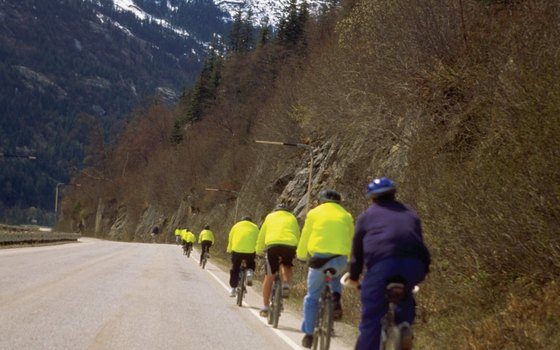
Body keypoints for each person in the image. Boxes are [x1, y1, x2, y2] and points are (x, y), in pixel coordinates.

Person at [342, 177, 431, 350]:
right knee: (406, 294)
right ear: (393, 194)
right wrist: (423, 271)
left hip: (383, 265)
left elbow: (357, 255)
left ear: (372, 198)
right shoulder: (410, 213)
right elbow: (421, 245)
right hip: (415, 265)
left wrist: (354, 276)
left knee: (372, 319)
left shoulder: (366, 217)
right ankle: (404, 325)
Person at [297, 189, 354, 348]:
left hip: (319, 260)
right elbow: (351, 238)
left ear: (321, 201)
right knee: (335, 277)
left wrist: (301, 255)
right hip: (340, 259)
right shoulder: (346, 215)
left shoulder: (314, 213)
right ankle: (335, 300)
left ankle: (308, 335)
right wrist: (348, 259)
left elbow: (305, 235)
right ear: (339, 203)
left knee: (312, 297)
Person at [255, 203, 300, 317]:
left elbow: (262, 235)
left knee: (269, 276)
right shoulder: (292, 218)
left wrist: (259, 251)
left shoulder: (270, 217)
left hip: (272, 246)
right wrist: (298, 250)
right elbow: (297, 234)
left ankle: (265, 307)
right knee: (287, 265)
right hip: (289, 245)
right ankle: (285, 284)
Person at [226, 216, 259, 297]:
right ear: (251, 221)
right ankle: (250, 272)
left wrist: (229, 249)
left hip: (237, 250)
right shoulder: (255, 227)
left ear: (242, 220)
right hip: (250, 251)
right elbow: (258, 240)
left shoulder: (236, 226)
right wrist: (258, 250)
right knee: (250, 263)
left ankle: (233, 289)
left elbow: (231, 238)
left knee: (235, 268)